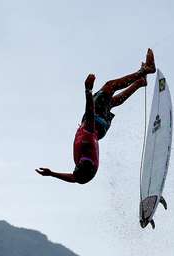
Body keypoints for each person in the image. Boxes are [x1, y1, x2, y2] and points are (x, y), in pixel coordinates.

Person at [35, 49, 156, 184]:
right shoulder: (87, 141)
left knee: (111, 102)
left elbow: (74, 178)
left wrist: (52, 174)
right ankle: (146, 70)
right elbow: (90, 112)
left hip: (101, 128)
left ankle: (140, 83)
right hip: (95, 122)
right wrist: (88, 90)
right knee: (110, 87)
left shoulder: (86, 172)